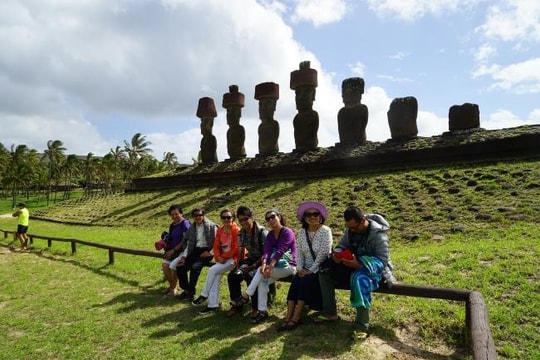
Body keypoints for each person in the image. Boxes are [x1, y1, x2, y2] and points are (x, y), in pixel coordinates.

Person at [317, 206, 394, 341]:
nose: (352, 230)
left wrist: (359, 264)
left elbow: (382, 260)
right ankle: (330, 313)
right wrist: (337, 254)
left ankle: (362, 325)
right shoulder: (350, 230)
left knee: (359, 279)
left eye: (354, 227)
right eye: (349, 227)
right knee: (325, 274)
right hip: (351, 265)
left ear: (363, 220)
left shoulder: (379, 235)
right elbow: (342, 245)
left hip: (372, 270)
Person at [230, 209, 297, 324]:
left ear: (279, 217)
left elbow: (280, 251)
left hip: (288, 266)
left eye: (272, 217)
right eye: (268, 219)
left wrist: (269, 267)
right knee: (262, 281)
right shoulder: (271, 234)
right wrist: (264, 264)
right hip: (275, 267)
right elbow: (266, 251)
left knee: (260, 273)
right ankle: (262, 311)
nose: (270, 220)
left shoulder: (287, 232)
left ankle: (246, 296)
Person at [278, 201, 333, 331]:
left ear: (320, 216)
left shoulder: (326, 231)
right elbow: (299, 252)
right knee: (296, 280)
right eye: (309, 215)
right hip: (304, 268)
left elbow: (324, 254)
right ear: (304, 217)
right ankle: (288, 315)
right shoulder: (302, 232)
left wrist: (311, 270)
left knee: (305, 281)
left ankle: (296, 317)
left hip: (319, 268)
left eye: (315, 214)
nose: (312, 217)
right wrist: (300, 268)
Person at [225, 206, 276, 319]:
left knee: (250, 276)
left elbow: (267, 253)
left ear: (251, 218)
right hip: (251, 258)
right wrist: (237, 266)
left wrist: (252, 266)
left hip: (264, 260)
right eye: (240, 220)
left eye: (245, 219)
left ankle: (256, 307)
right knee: (233, 276)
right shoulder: (241, 233)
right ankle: (237, 304)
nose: (243, 222)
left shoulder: (262, 232)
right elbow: (240, 250)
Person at [191, 208, 240, 314]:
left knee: (212, 270)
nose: (226, 219)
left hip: (233, 260)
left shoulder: (236, 230)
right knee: (216, 276)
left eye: (228, 217)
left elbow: (236, 248)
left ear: (233, 218)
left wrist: (224, 256)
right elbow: (216, 246)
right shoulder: (220, 230)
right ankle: (212, 304)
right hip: (222, 259)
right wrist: (218, 257)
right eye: (223, 217)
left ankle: (204, 294)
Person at [175, 208, 217, 302]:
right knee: (180, 267)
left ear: (203, 215)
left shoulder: (212, 226)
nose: (198, 217)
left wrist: (210, 252)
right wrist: (184, 256)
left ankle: (191, 293)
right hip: (195, 250)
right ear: (193, 217)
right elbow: (189, 243)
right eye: (195, 215)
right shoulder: (192, 228)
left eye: (200, 215)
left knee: (195, 268)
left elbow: (217, 242)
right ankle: (186, 290)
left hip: (207, 251)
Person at [160, 204, 190, 296]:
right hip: (173, 251)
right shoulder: (172, 225)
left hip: (184, 251)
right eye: (172, 214)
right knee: (165, 265)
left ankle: (174, 288)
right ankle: (172, 286)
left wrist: (174, 250)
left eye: (176, 214)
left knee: (173, 266)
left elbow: (186, 239)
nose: (174, 216)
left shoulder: (185, 223)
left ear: (181, 213)